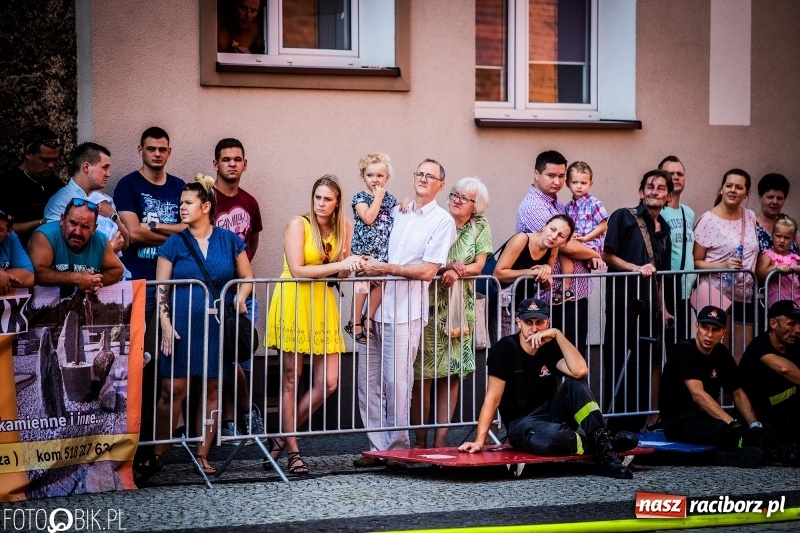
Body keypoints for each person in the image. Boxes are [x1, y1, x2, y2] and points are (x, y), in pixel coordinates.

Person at [458, 298, 638, 479]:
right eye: (528, 322)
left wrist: (558, 335)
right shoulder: (504, 349)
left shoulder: (550, 345)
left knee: (576, 383)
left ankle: (602, 444)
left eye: (540, 322)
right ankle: (604, 444)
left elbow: (580, 370)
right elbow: (493, 398)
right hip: (523, 424)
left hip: (552, 414)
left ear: (547, 323)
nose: (534, 328)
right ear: (518, 321)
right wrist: (479, 441)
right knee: (553, 438)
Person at [353, 159, 456, 466]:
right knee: (366, 383)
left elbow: (427, 270)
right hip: (373, 311)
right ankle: (377, 447)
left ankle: (397, 449)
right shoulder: (397, 210)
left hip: (404, 313)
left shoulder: (442, 221)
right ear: (413, 178)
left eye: (431, 176)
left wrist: (383, 269)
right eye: (420, 174)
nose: (424, 179)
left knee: (396, 384)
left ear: (440, 185)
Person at [154, 175, 254, 476]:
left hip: (216, 326)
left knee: (212, 389)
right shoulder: (174, 242)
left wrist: (241, 298)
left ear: (206, 206)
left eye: (188, 203)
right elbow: (162, 287)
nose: (181, 208)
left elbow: (247, 278)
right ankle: (156, 454)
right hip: (181, 326)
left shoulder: (229, 240)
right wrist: (165, 324)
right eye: (180, 203)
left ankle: (202, 455)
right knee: (173, 389)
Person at [266, 174, 361, 474]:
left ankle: (281, 437)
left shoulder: (344, 226)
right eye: (317, 197)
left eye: (327, 199)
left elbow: (341, 275)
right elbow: (297, 269)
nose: (321, 204)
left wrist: (353, 263)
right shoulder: (299, 223)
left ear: (337, 203)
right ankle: (293, 450)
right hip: (295, 299)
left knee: (329, 383)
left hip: (323, 301)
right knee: (291, 379)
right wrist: (342, 264)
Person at [113, 127, 185, 476]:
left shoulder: (179, 186)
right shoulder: (128, 185)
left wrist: (151, 224)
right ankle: (133, 444)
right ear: (140, 149)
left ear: (170, 152)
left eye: (163, 149)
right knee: (138, 365)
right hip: (139, 286)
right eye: (151, 149)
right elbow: (131, 233)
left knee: (165, 369)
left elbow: (193, 228)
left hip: (172, 288)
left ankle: (156, 448)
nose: (157, 154)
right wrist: (172, 229)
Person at [411, 177, 492, 449]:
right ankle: (420, 443)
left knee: (452, 376)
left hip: (460, 311)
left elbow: (480, 265)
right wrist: (445, 269)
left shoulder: (480, 226)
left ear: (476, 205)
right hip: (430, 307)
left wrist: (458, 271)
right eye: (455, 194)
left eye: (464, 198)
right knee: (423, 375)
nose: (456, 200)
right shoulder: (438, 219)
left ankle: (440, 443)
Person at [602, 170, 672, 431]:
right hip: (623, 302)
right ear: (641, 192)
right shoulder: (623, 216)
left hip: (649, 307)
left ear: (668, 196)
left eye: (661, 188)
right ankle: (617, 425)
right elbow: (607, 255)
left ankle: (636, 423)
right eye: (650, 187)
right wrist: (634, 267)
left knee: (643, 363)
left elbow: (660, 274)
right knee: (619, 360)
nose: (655, 191)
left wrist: (663, 308)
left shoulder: (664, 228)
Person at [515, 150, 605, 352]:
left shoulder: (560, 205)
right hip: (551, 296)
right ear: (536, 174)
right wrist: (594, 254)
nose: (557, 181)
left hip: (576, 292)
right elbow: (564, 244)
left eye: (561, 176)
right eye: (551, 175)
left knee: (575, 354)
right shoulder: (533, 206)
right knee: (555, 359)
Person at [659, 306, 764, 467]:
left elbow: (737, 391)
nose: (709, 334)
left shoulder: (721, 352)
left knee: (762, 431)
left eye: (715, 330)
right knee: (727, 432)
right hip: (678, 420)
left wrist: (754, 424)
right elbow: (698, 394)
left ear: (723, 333)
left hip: (705, 416)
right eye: (705, 328)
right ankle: (729, 456)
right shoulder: (684, 349)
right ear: (696, 327)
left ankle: (764, 449)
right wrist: (731, 422)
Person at [211, 138, 265, 441]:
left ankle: (238, 417)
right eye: (226, 159)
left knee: (240, 357)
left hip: (242, 293)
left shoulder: (250, 202)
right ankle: (236, 415)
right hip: (215, 291)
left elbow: (252, 242)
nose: (232, 163)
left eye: (237, 159)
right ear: (215, 164)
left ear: (244, 163)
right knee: (222, 358)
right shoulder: (209, 199)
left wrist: (241, 272)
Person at [693, 169, 759, 356]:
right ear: (721, 189)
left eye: (739, 187)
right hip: (716, 295)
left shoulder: (750, 216)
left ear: (747, 193)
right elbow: (695, 262)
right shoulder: (707, 219)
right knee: (718, 354)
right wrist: (722, 265)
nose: (733, 190)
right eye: (729, 185)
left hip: (744, 297)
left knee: (741, 354)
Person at [44, 142, 130, 277]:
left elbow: (125, 243)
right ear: (86, 167)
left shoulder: (104, 200)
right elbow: (57, 248)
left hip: (110, 280)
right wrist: (108, 251)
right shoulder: (60, 201)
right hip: (71, 283)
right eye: (104, 168)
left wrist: (113, 215)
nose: (108, 174)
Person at [739, 300, 800, 466]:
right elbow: (784, 369)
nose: (797, 330)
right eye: (792, 324)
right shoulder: (759, 345)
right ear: (773, 323)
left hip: (785, 412)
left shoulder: (794, 344)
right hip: (760, 415)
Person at [346, 152, 398, 344]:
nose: (375, 180)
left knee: (381, 283)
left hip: (381, 252)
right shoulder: (360, 197)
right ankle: (355, 319)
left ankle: (369, 317)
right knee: (362, 285)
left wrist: (405, 202)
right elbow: (368, 218)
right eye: (370, 175)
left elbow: (398, 208)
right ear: (363, 176)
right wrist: (378, 197)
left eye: (379, 176)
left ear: (387, 177)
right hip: (363, 251)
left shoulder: (389, 198)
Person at [27, 198, 124, 293]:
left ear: (94, 228)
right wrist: (77, 278)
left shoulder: (101, 240)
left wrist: (92, 281)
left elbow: (117, 271)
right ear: (62, 220)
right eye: (73, 223)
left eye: (85, 227)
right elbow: (36, 273)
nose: (78, 232)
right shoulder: (45, 236)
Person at [494, 214, 574, 313]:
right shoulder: (522, 239)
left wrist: (546, 270)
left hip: (526, 302)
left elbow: (545, 285)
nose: (554, 237)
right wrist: (532, 272)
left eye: (561, 236)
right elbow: (498, 274)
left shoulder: (553, 248)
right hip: (502, 302)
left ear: (565, 242)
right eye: (552, 229)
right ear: (544, 226)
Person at [1, 126, 64, 246]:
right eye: (45, 160)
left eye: (55, 160)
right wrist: (43, 222)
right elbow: (5, 227)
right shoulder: (7, 184)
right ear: (28, 154)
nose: (51, 165)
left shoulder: (55, 183)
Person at [658, 155, 696, 351]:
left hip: (685, 288)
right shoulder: (658, 212)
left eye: (679, 174)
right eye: (670, 173)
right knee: (665, 345)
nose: (675, 177)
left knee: (682, 344)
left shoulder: (688, 212)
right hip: (665, 286)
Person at [561, 161, 608, 303]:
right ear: (567, 183)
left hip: (591, 242)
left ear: (590, 184)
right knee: (564, 250)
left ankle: (593, 258)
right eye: (575, 182)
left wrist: (586, 238)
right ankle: (566, 288)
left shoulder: (594, 203)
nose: (579, 186)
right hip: (577, 242)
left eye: (583, 182)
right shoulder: (568, 207)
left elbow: (603, 226)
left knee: (570, 251)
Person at [756, 215, 800, 306]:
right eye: (778, 236)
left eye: (787, 237)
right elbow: (759, 275)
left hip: (795, 299)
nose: (782, 240)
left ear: (793, 239)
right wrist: (775, 268)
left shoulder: (795, 258)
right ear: (772, 235)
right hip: (776, 301)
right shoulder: (768, 255)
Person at [754, 173, 799, 254]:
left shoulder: (789, 227)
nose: (775, 202)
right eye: (770, 197)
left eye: (779, 198)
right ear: (760, 198)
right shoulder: (751, 226)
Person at [0, 198, 35, 293]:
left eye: (0, 229)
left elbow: (29, 276)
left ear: (9, 231)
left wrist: (3, 276)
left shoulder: (11, 237)